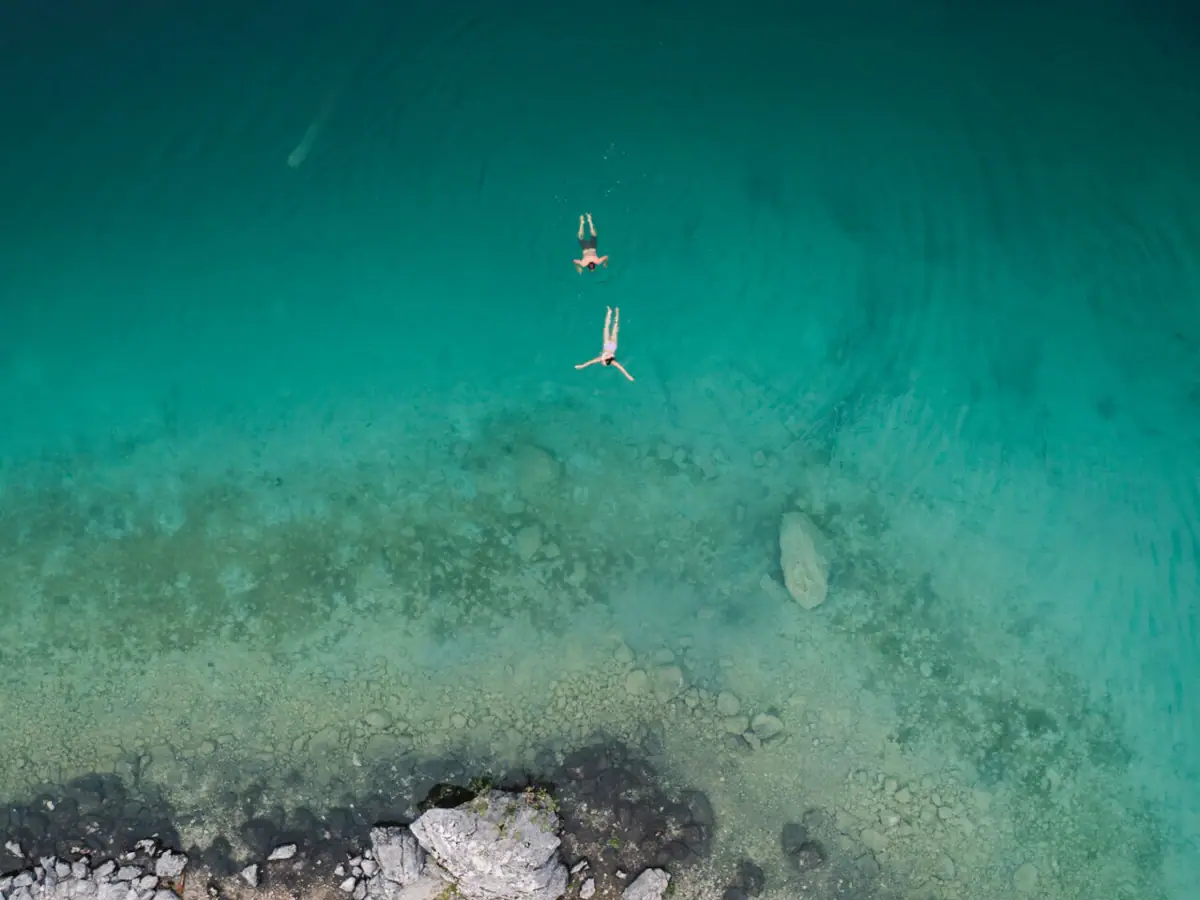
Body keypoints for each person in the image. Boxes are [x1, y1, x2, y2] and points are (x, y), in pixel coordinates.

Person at [575, 306, 633, 382]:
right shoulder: (611, 361)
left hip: (610, 345)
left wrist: (581, 366)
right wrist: (628, 376)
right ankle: (616, 312)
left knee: (609, 328)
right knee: (612, 328)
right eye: (603, 362)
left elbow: (590, 362)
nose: (602, 361)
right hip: (611, 345)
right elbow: (621, 368)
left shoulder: (604, 359)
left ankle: (611, 312)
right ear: (606, 360)